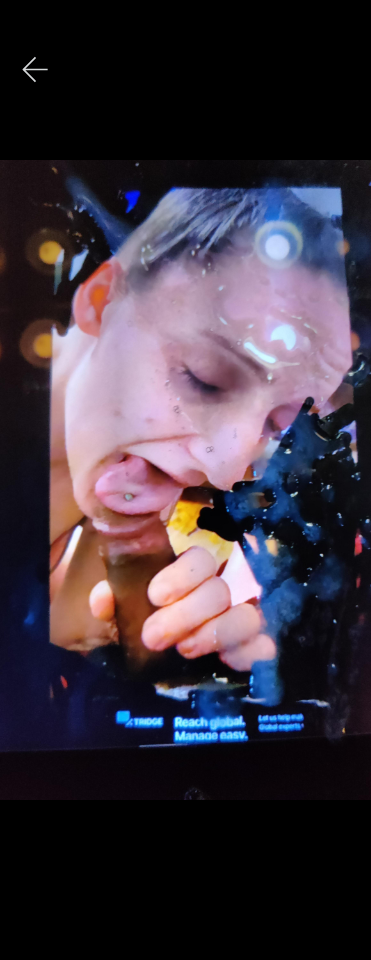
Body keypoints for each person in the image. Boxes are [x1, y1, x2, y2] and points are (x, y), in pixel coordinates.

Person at [49, 187, 352, 675]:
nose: (227, 469)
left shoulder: (130, 479)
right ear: (103, 300)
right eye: (204, 378)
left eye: (275, 424)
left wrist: (152, 640)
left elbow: (65, 627)